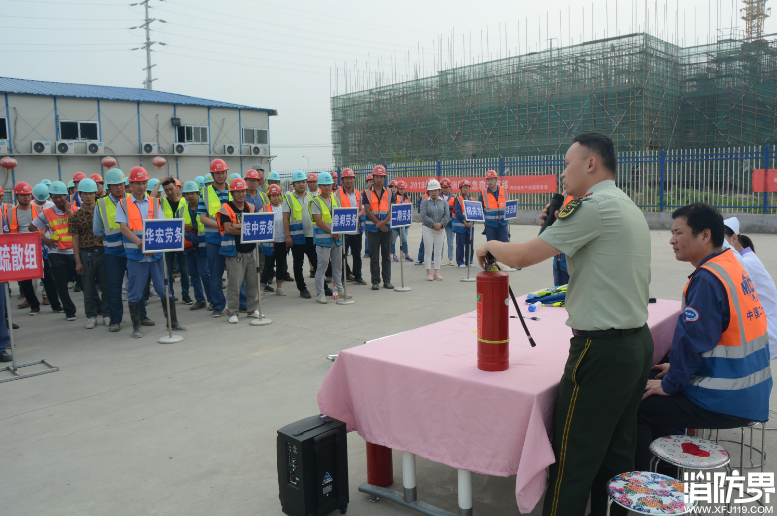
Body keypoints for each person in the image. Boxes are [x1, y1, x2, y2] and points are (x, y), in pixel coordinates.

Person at [476, 132, 653, 516]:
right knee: (616, 453)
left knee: (572, 461)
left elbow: (522, 256)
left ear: (591, 164)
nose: (562, 173)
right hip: (636, 343)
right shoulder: (625, 204)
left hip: (601, 351)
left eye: (567, 164)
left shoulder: (593, 207)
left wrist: (490, 245)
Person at [636, 203, 773, 472]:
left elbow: (693, 342)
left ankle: (652, 485)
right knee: (663, 384)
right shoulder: (731, 263)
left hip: (727, 398)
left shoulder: (709, 279)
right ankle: (669, 473)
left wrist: (674, 381)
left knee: (640, 406)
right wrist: (676, 370)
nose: (672, 240)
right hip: (750, 390)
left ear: (705, 235)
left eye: (678, 232)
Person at [117, 166, 185, 338]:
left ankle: (173, 322)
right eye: (138, 183)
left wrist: (151, 244)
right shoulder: (123, 203)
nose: (141, 186)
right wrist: (139, 242)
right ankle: (136, 326)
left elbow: (160, 225)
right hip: (136, 255)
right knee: (135, 291)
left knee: (164, 289)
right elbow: (124, 228)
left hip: (155, 255)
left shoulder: (155, 203)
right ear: (131, 184)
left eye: (144, 182)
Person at [723, 218, 777, 359]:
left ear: (734, 238)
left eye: (721, 239)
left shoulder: (746, 262)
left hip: (766, 326)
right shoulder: (747, 257)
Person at [30, 181, 79, 321]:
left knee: (84, 281)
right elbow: (31, 227)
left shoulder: (75, 210)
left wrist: (70, 212)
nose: (57, 200)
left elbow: (82, 226)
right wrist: (43, 239)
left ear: (66, 196)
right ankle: (70, 311)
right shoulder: (46, 213)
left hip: (74, 252)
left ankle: (97, 308)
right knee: (61, 284)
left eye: (60, 196)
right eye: (54, 197)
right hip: (56, 252)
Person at [217, 178, 261, 324]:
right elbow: (228, 229)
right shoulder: (226, 208)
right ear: (232, 193)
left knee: (253, 282)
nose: (241, 194)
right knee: (235, 284)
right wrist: (244, 227)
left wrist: (238, 226)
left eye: (243, 191)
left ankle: (252, 309)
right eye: (237, 191)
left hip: (251, 250)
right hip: (235, 252)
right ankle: (233, 312)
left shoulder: (251, 207)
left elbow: (255, 225)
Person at [69, 178, 110, 329]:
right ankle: (91, 316)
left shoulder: (103, 212)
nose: (88, 196)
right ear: (80, 195)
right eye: (84, 193)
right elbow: (75, 239)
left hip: (104, 252)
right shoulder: (76, 217)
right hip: (86, 254)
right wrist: (78, 261)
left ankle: (107, 313)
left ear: (95, 194)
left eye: (90, 193)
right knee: (88, 288)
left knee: (106, 286)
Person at [94, 169, 129, 332]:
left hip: (133, 250)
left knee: (137, 286)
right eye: (115, 185)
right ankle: (115, 320)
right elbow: (98, 231)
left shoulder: (132, 200)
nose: (119, 188)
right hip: (113, 254)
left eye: (121, 184)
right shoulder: (101, 204)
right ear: (109, 186)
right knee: (114, 287)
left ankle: (141, 316)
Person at [198, 159, 232, 318]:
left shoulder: (234, 190)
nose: (221, 175)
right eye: (218, 173)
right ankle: (218, 305)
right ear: (212, 175)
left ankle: (240, 303)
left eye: (223, 172)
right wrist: (221, 226)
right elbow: (203, 218)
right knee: (215, 274)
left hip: (233, 238)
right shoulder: (204, 193)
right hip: (213, 240)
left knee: (236, 273)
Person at [311, 172, 350, 304]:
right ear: (320, 186)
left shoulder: (335, 199)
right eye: (324, 185)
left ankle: (340, 289)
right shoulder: (315, 201)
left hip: (336, 239)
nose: (327, 187)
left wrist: (337, 233)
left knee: (338, 267)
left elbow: (339, 217)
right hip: (323, 240)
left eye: (329, 184)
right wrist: (333, 231)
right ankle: (320, 293)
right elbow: (319, 221)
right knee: (322, 267)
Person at [156, 176, 193, 305]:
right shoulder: (162, 202)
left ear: (177, 188)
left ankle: (185, 294)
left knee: (184, 270)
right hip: (167, 240)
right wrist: (160, 183)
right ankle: (170, 294)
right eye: (166, 190)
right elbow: (151, 198)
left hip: (182, 240)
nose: (169, 192)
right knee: (168, 271)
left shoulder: (185, 201)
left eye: (171, 189)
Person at [283, 170, 317, 299]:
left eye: (303, 182)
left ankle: (323, 286)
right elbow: (286, 218)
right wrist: (287, 236)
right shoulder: (288, 198)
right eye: (298, 182)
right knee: (298, 264)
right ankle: (302, 289)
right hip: (296, 237)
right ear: (294, 184)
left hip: (311, 236)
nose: (301, 184)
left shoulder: (311, 197)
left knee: (317, 263)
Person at [362, 165, 395, 290]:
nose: (379, 180)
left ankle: (387, 281)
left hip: (387, 229)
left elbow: (392, 210)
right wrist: (379, 225)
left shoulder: (390, 192)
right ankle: (375, 281)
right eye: (377, 177)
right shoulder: (366, 193)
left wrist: (384, 223)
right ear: (373, 177)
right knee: (374, 257)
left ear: (384, 178)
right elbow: (368, 211)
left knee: (386, 256)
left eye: (381, 177)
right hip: (373, 230)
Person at [180, 181, 212, 311]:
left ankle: (212, 300)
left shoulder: (205, 207)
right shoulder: (182, 210)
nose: (189, 196)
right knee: (193, 274)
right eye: (187, 194)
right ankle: (200, 300)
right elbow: (178, 227)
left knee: (204, 274)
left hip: (203, 246)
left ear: (198, 194)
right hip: (189, 247)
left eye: (192, 193)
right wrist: (187, 236)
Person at [30, 183, 61, 310]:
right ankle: (31, 299)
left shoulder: (52, 205)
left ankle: (47, 296)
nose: (41, 202)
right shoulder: (31, 205)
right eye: (39, 199)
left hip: (49, 242)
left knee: (48, 273)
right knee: (33, 273)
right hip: (34, 241)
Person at [337, 168, 368, 284]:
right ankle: (344, 275)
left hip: (356, 230)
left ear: (354, 180)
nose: (349, 180)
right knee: (342, 254)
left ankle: (358, 276)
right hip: (343, 230)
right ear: (342, 180)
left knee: (357, 254)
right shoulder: (337, 194)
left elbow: (362, 210)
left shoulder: (358, 193)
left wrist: (354, 217)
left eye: (351, 178)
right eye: (347, 178)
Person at [259, 184, 288, 297]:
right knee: (268, 266)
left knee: (281, 265)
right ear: (269, 197)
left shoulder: (284, 207)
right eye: (273, 196)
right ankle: (262, 289)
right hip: (270, 243)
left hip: (282, 241)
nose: (276, 198)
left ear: (281, 195)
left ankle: (279, 288)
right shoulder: (264, 209)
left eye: (277, 195)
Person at [420, 179, 449, 280]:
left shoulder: (444, 202)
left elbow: (447, 215)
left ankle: (437, 271)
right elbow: (423, 215)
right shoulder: (424, 202)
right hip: (428, 229)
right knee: (428, 251)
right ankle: (428, 272)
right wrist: (433, 224)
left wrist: (440, 224)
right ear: (428, 191)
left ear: (439, 190)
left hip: (440, 229)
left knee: (438, 251)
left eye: (436, 190)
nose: (434, 192)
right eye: (431, 190)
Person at [479, 169, 509, 243]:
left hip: (503, 224)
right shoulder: (483, 193)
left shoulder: (504, 190)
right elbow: (480, 210)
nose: (489, 182)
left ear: (496, 180)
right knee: (491, 248)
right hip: (490, 225)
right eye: (488, 180)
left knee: (504, 246)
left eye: (491, 179)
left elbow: (508, 206)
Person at [451, 180, 474, 267]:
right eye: (463, 188)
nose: (465, 189)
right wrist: (465, 222)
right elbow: (458, 212)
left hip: (470, 226)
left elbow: (475, 212)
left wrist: (470, 222)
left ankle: (469, 261)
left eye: (467, 188)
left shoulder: (472, 199)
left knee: (470, 245)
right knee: (460, 245)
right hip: (461, 226)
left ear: (469, 189)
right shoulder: (458, 199)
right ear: (460, 189)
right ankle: (460, 262)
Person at [391, 181, 412, 263]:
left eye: (395, 187)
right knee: (392, 240)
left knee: (404, 239)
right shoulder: (388, 197)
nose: (394, 189)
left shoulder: (400, 198)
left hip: (401, 222)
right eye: (392, 187)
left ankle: (406, 254)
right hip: (393, 222)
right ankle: (394, 255)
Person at [439, 178, 456, 266]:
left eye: (446, 187)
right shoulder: (438, 197)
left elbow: (455, 209)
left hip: (450, 222)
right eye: (443, 187)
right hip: (441, 222)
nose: (445, 189)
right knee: (440, 241)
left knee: (450, 241)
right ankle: (440, 259)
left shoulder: (454, 197)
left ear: (450, 187)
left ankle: (451, 259)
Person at [363, 174, 373, 258]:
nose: (372, 183)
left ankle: (373, 251)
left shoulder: (377, 192)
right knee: (367, 235)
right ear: (367, 182)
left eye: (372, 181)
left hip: (375, 217)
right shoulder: (364, 193)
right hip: (366, 217)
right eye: (370, 181)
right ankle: (367, 252)